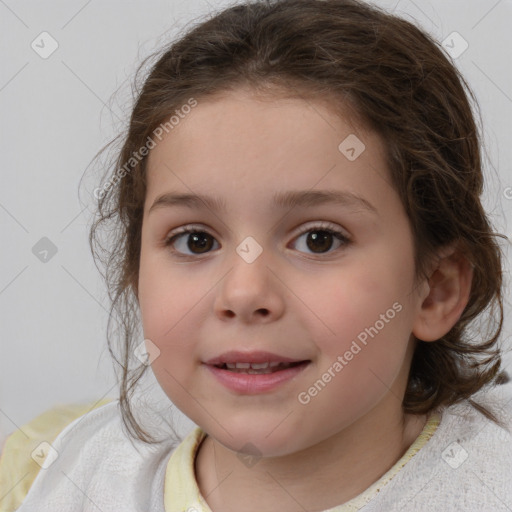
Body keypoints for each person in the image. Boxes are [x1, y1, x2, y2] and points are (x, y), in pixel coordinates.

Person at [1, 0, 511, 510]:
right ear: (136, 273)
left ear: (436, 289)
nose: (244, 294)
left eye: (319, 239)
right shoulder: (56, 480)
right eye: (195, 240)